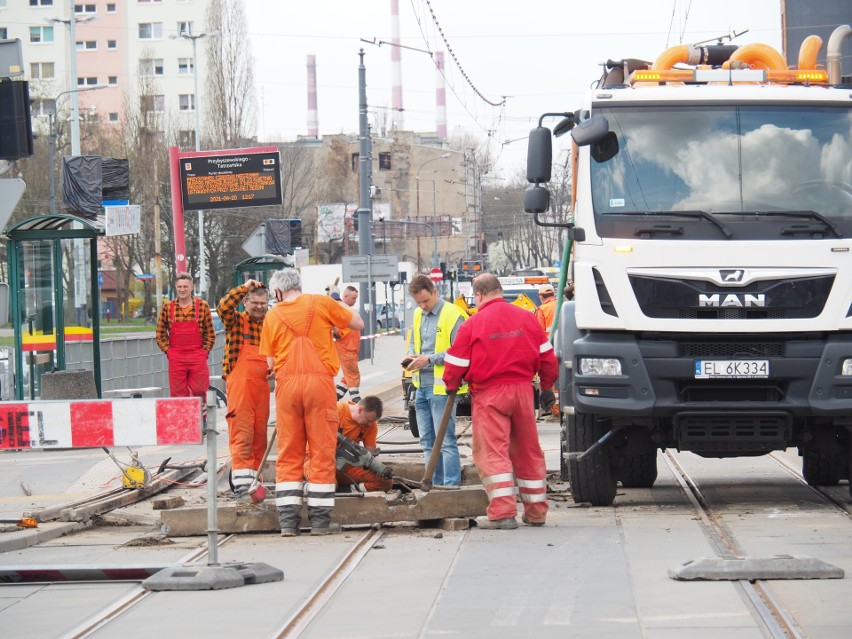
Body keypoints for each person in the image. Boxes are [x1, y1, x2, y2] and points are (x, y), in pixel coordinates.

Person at [442, 273, 558, 529]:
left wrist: (451, 384)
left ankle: (503, 512)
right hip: (523, 391)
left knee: (493, 452)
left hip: (489, 394)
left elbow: (456, 363)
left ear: (479, 295)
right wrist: (547, 387)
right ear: (500, 290)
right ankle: (536, 512)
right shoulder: (527, 317)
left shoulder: (473, 324)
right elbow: (548, 357)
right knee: (528, 450)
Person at [260, 268, 364, 536]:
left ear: (278, 292)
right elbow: (358, 323)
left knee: (289, 452)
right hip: (319, 385)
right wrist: (337, 303)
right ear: (299, 285)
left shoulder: (272, 315)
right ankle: (320, 522)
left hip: (287, 387)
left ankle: (288, 523)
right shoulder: (321, 302)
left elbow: (269, 363)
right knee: (321, 450)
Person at [403, 274, 468, 487]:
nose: (423, 306)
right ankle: (434, 483)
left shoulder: (452, 314)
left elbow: (460, 352)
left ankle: (450, 487)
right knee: (427, 442)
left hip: (442, 389)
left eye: (425, 301)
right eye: (418, 302)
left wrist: (429, 359)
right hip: (420, 385)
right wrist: (412, 356)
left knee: (446, 441)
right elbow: (414, 342)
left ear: (434, 292)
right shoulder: (418, 314)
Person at [217, 279, 270, 500]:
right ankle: (241, 487)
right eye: (255, 302)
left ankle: (255, 483)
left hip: (262, 387)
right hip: (240, 385)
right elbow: (224, 307)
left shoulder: (270, 325)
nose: (259, 306)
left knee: (260, 436)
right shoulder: (237, 322)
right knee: (242, 434)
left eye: (263, 303)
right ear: (246, 302)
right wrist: (243, 287)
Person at [305, 396, 392, 493]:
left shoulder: (370, 425)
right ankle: (304, 486)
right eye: (368, 420)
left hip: (345, 464)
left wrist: (378, 467)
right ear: (360, 410)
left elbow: (370, 453)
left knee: (385, 482)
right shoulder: (335, 411)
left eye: (372, 421)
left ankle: (346, 491)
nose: (370, 424)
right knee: (326, 485)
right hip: (316, 460)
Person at [156, 273, 215, 402]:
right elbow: (160, 334)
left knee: (200, 389)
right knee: (178, 393)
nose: (182, 289)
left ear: (192, 287)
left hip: (197, 356)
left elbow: (210, 333)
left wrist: (204, 352)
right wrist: (169, 351)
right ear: (175, 287)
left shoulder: (202, 306)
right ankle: (182, 421)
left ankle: (201, 419)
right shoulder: (168, 308)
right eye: (179, 287)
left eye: (185, 286)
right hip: (176, 357)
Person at [333, 285, 362, 403]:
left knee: (348, 377)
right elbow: (337, 332)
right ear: (345, 296)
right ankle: (358, 403)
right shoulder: (342, 310)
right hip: (347, 349)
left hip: (351, 349)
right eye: (353, 298)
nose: (355, 301)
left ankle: (333, 398)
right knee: (353, 376)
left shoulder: (346, 310)